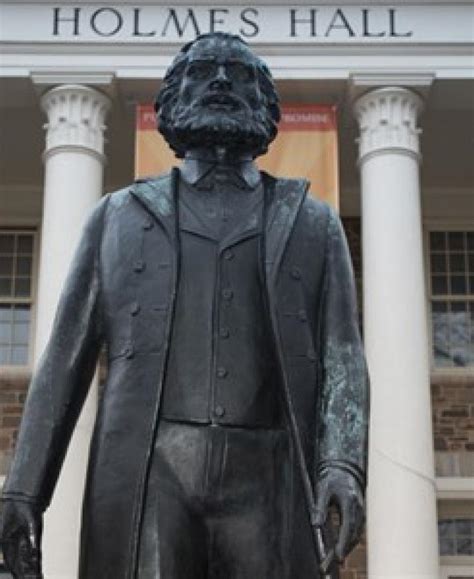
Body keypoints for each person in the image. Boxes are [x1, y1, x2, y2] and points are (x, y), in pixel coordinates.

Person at [0, 32, 369, 579]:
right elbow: (63, 361)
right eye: (203, 72)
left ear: (267, 108)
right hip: (151, 471)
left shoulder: (313, 222)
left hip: (269, 470)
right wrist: (25, 488)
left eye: (239, 75)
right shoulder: (116, 217)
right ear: (170, 100)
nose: (221, 82)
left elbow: (342, 353)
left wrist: (342, 463)